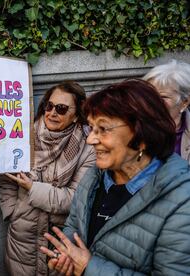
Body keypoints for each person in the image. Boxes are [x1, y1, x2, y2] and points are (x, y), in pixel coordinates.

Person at [40, 79, 190, 275]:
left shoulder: (182, 201)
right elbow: (73, 226)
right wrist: (64, 255)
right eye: (92, 128)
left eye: (103, 129)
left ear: (142, 135)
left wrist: (88, 267)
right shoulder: (94, 176)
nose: (91, 140)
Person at [0, 81, 96, 275]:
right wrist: (12, 212)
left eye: (61, 109)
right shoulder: (24, 137)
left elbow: (74, 198)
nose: (52, 113)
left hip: (61, 240)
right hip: (22, 237)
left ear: (76, 115)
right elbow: (6, 179)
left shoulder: (89, 148)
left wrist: (32, 188)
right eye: (49, 106)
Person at [143, 60, 190, 161]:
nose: (153, 101)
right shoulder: (134, 129)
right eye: (149, 95)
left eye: (163, 97)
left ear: (185, 102)